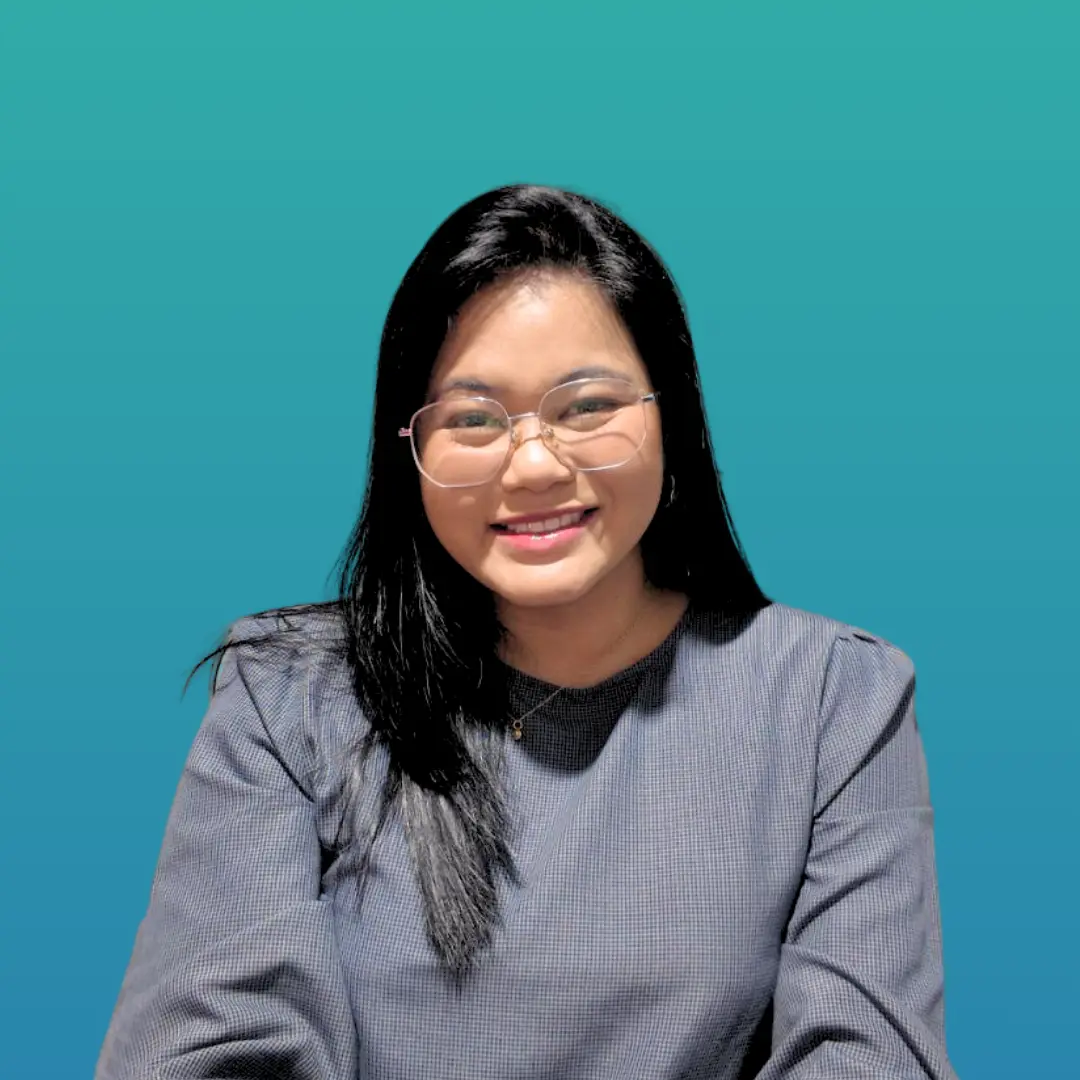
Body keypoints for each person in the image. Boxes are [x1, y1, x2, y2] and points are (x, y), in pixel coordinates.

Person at [96, 184, 958, 1079]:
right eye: (473, 419)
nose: (536, 464)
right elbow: (205, 1055)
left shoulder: (834, 699)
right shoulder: (287, 697)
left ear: (673, 417)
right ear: (410, 450)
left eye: (586, 407)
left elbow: (866, 1061)